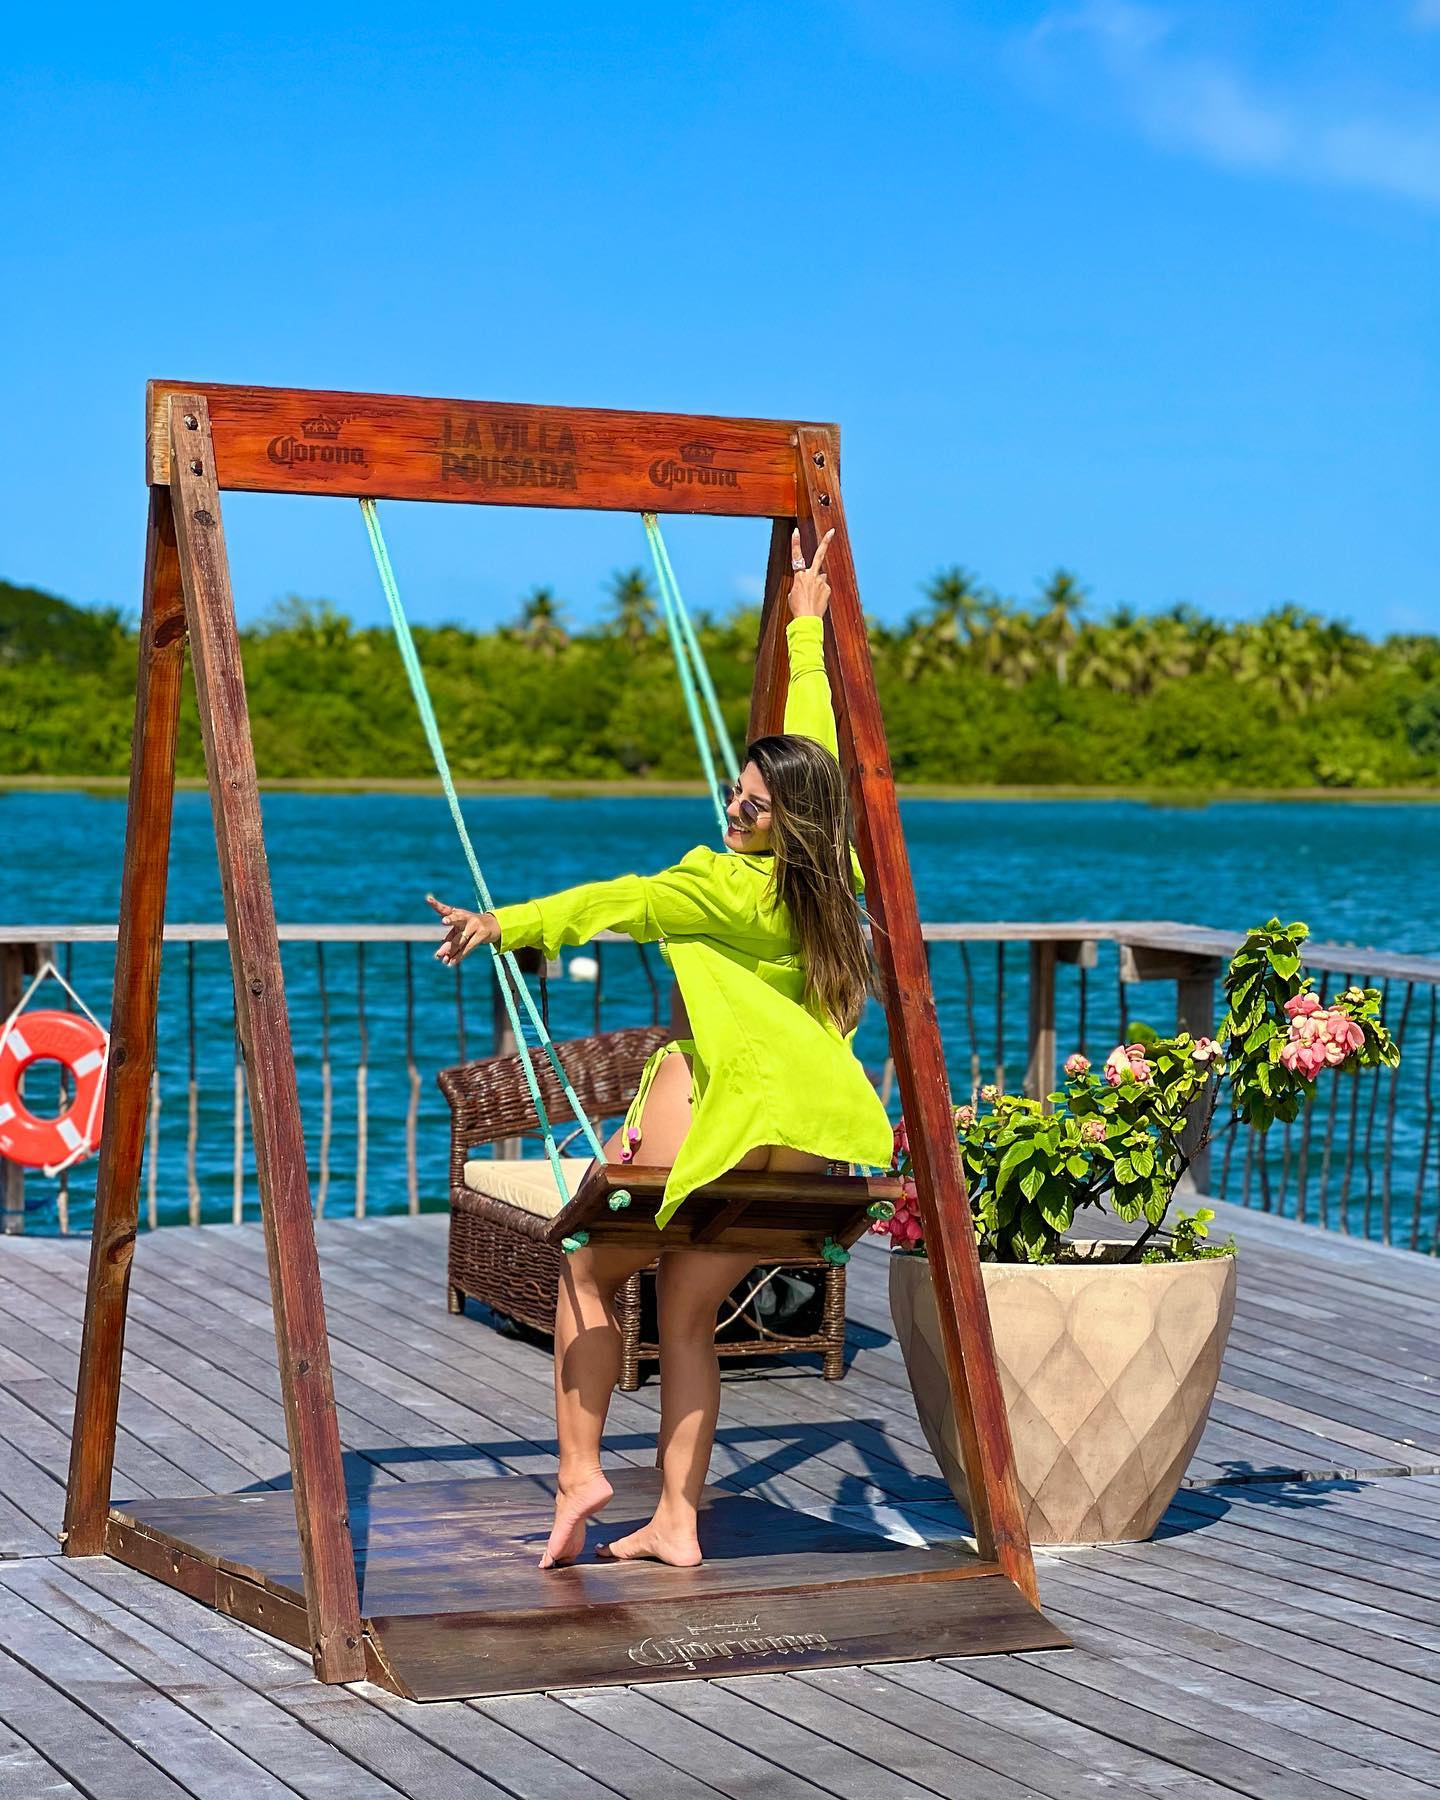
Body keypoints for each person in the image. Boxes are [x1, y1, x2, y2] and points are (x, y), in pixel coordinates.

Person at [426, 528, 893, 1570]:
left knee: (587, 1270)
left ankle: (580, 1473)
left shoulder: (720, 883)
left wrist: (505, 923)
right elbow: (810, 749)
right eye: (736, 791)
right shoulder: (831, 874)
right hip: (816, 1136)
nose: (735, 806)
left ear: (780, 822)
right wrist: (806, 629)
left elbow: (621, 903)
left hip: (719, 1111)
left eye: (750, 804)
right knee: (686, 1311)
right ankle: (676, 1523)